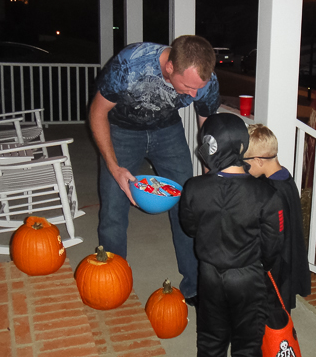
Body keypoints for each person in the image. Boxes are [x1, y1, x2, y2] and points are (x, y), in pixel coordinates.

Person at [88, 35, 220, 303]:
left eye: (199, 89)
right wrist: (114, 167)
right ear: (170, 67)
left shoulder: (205, 81)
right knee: (114, 206)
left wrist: (209, 171)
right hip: (122, 130)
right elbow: (97, 113)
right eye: (189, 87)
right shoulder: (129, 64)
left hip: (167, 130)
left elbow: (208, 128)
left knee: (187, 204)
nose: (194, 95)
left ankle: (194, 283)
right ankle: (111, 283)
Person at [179, 113, 285, 357]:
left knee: (210, 339)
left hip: (209, 274)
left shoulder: (193, 187)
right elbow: (273, 245)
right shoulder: (266, 194)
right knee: (247, 343)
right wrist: (261, 264)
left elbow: (190, 228)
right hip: (247, 275)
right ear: (242, 146)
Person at [244, 124, 311, 324]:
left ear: (258, 160)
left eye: (245, 162)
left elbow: (270, 234)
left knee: (273, 303)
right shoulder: (285, 177)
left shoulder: (271, 191)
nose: (244, 168)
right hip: (287, 250)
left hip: (277, 258)